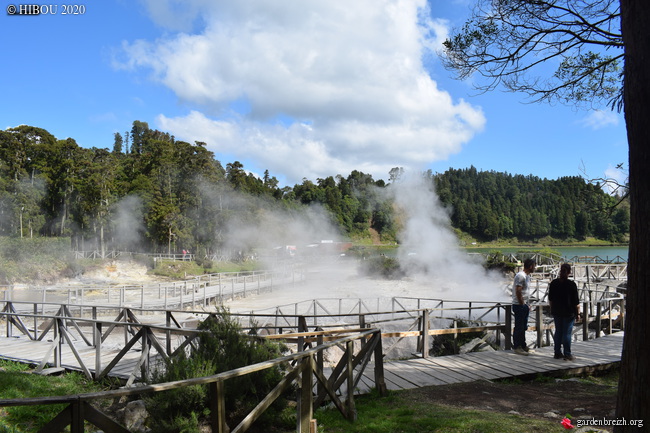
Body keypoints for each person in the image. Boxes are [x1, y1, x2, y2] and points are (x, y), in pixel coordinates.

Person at [548, 263, 580, 361]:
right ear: (569, 272)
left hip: (556, 311)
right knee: (566, 333)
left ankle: (557, 352)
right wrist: (578, 314)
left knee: (558, 331)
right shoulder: (571, 284)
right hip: (568, 312)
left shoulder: (554, 283)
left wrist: (552, 309)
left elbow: (550, 299)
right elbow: (576, 302)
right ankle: (567, 354)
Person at [512, 258, 536, 355]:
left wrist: (527, 304)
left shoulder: (527, 276)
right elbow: (518, 291)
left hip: (524, 304)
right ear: (530, 266)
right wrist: (522, 303)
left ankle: (523, 345)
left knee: (524, 326)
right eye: (534, 266)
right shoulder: (521, 276)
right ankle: (517, 347)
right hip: (519, 305)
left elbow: (525, 292)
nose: (535, 268)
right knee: (519, 327)